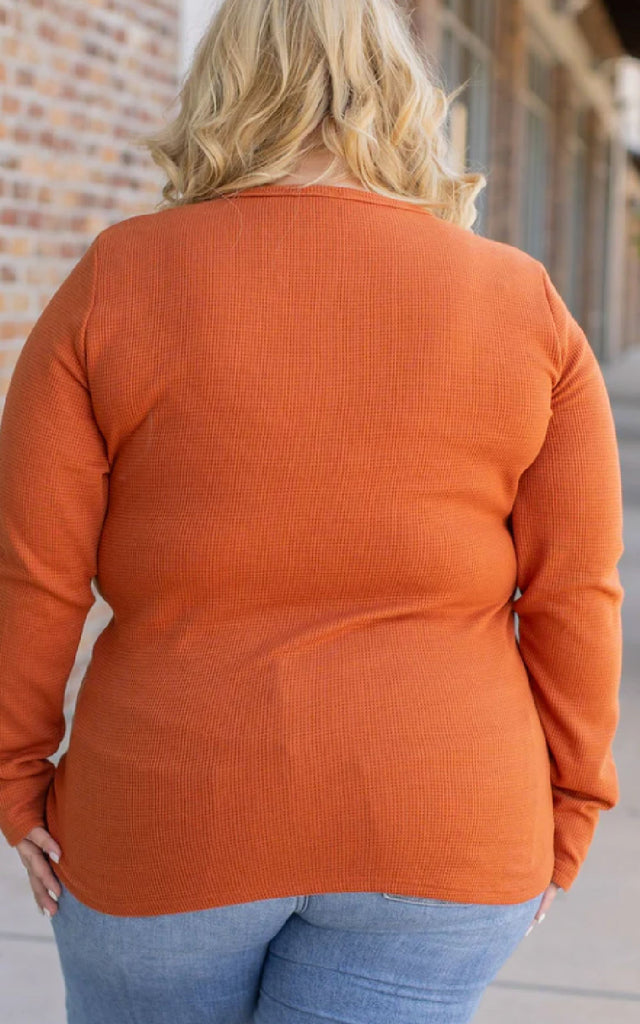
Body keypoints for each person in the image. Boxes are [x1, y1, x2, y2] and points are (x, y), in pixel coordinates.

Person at [0, 1, 624, 1022]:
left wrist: (17, 773)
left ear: (219, 93)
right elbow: (577, 592)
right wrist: (571, 808)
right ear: (405, 98)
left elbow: (32, 569)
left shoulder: (116, 279)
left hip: (169, 813)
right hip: (444, 822)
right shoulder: (524, 304)